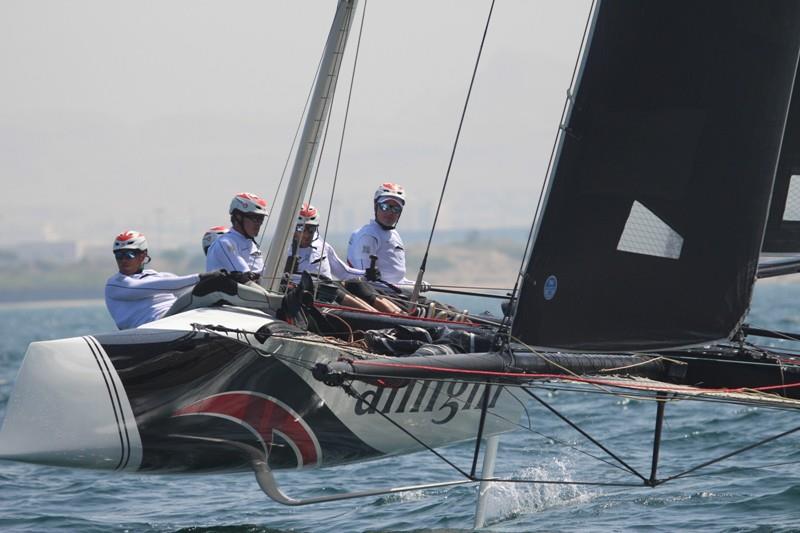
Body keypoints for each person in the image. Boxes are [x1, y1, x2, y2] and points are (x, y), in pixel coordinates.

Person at [286, 203, 403, 313]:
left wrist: (366, 273)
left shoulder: (322, 247)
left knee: (355, 284)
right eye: (301, 229)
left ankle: (397, 315)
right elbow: (268, 275)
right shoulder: (283, 250)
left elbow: (344, 272)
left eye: (311, 230)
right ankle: (376, 317)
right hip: (305, 294)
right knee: (326, 288)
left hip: (329, 288)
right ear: (293, 228)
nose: (306, 235)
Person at [105, 230, 224, 330]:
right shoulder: (115, 284)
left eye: (128, 254)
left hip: (178, 319)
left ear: (142, 255)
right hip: (151, 328)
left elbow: (189, 291)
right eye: (118, 255)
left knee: (212, 290)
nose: (123, 260)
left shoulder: (163, 276)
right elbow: (150, 286)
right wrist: (200, 277)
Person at [347, 182, 415, 285]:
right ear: (376, 206)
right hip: (380, 295)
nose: (390, 213)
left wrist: (416, 284)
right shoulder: (369, 236)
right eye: (385, 207)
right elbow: (365, 281)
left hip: (397, 293)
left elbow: (396, 279)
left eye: (396, 209)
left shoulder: (394, 234)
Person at [206, 192, 268, 281]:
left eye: (261, 219)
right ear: (239, 217)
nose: (258, 224)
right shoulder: (225, 243)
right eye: (255, 218)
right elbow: (246, 278)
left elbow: (263, 276)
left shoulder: (252, 244)